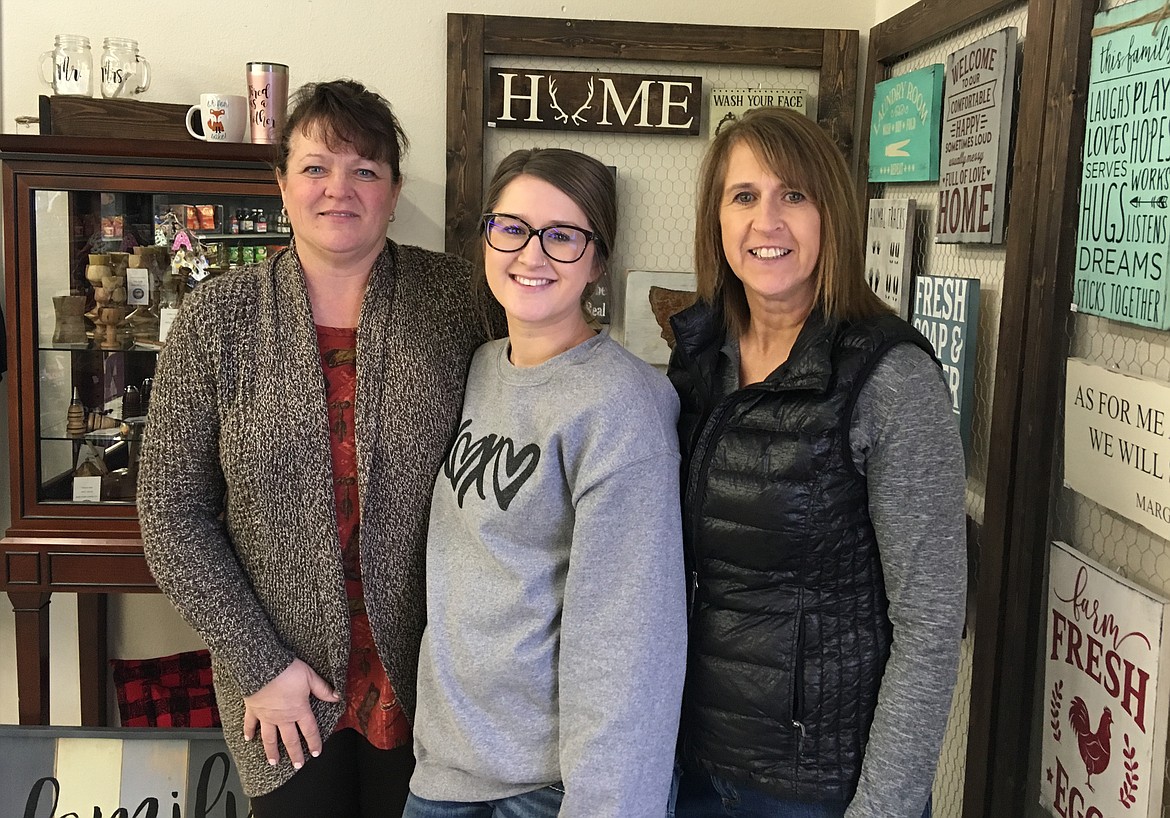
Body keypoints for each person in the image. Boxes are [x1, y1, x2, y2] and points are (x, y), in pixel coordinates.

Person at [137, 79, 493, 817]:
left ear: (394, 192)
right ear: (281, 184)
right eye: (316, 167)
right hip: (281, 690)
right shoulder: (216, 320)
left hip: (435, 682)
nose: (340, 189)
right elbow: (171, 512)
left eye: (365, 169)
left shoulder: (459, 301)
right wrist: (260, 665)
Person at [667, 107, 967, 818]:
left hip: (819, 790)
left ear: (833, 216)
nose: (766, 222)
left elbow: (930, 624)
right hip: (691, 764)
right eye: (744, 197)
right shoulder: (696, 363)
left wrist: (882, 808)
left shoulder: (888, 377)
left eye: (793, 196)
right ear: (717, 219)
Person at [404, 148, 688, 818]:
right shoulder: (477, 369)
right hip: (446, 768)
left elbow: (629, 640)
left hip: (549, 787)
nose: (531, 255)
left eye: (562, 236)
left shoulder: (622, 404)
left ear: (597, 259)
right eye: (513, 228)